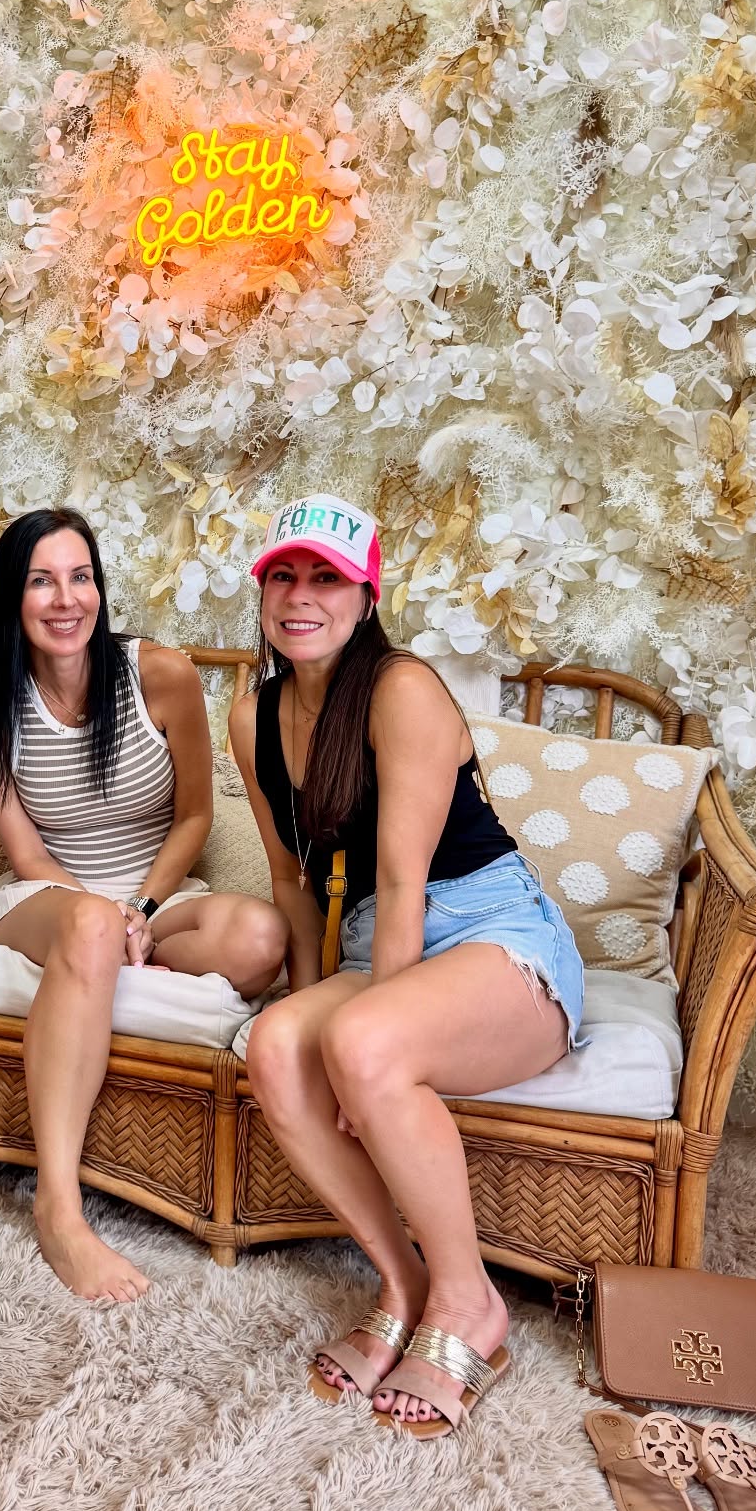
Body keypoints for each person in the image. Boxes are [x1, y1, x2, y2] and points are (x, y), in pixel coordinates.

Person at [229, 492, 585, 1437]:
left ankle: (471, 1306)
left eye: (327, 579)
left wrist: (357, 1049)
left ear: (365, 594)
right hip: (380, 938)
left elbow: (404, 878)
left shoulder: (401, 690)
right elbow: (290, 879)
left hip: (492, 932)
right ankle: (404, 1281)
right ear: (263, 591)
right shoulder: (253, 713)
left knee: (362, 1041)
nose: (302, 597)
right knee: (271, 1045)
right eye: (284, 576)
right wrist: (313, 1011)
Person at [0, 507, 288, 1304]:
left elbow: (195, 818)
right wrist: (99, 917)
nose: (66, 599)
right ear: (13, 598)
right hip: (43, 896)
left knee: (257, 936)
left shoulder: (158, 675)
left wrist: (138, 909)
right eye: (41, 581)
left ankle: (107, 948)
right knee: (89, 923)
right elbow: (27, 854)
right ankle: (58, 1206)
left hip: (152, 894)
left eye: (81, 577)